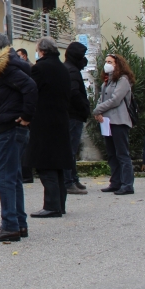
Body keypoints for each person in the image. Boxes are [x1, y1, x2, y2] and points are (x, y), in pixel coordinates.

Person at [0, 33, 37, 243]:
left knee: (4, 176)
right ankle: (18, 223)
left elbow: (30, 88)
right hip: (11, 126)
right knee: (13, 177)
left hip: (10, 127)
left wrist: (27, 116)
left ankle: (10, 225)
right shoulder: (12, 64)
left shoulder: (5, 67)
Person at [26, 37, 73, 218]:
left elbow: (32, 91)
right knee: (58, 164)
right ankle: (60, 203)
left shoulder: (40, 68)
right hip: (61, 119)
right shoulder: (63, 68)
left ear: (42, 51)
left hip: (44, 120)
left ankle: (52, 205)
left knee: (45, 164)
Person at [93, 53, 135, 195]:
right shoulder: (107, 81)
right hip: (107, 121)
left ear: (118, 64)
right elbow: (101, 98)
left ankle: (127, 184)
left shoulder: (123, 80)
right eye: (106, 61)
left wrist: (98, 109)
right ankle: (115, 182)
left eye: (110, 62)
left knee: (122, 153)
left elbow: (115, 100)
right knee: (112, 154)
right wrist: (98, 112)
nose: (107, 64)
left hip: (119, 121)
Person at [63, 42, 91, 195]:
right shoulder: (72, 71)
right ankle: (68, 181)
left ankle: (73, 178)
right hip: (73, 115)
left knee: (71, 149)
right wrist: (84, 107)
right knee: (70, 150)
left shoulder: (69, 68)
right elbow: (74, 93)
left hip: (72, 115)